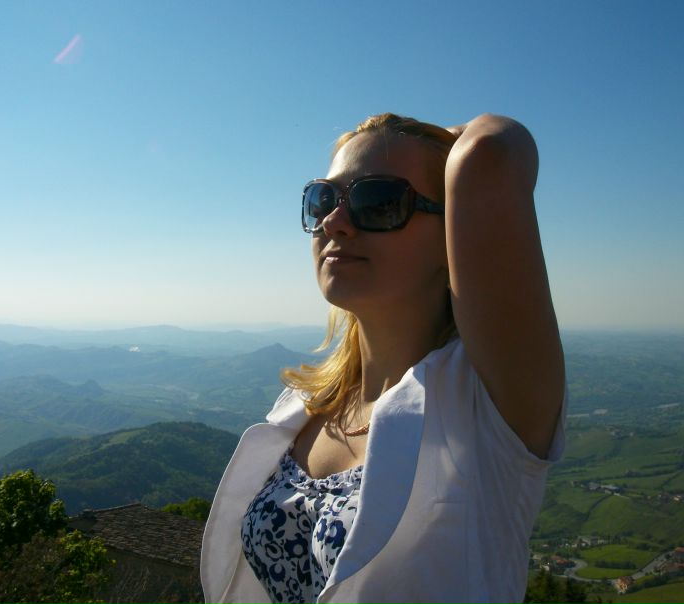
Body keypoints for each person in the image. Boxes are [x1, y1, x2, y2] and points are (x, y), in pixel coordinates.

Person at [199, 113, 566, 604]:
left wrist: (442, 140)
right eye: (323, 199)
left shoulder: (490, 409)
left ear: (453, 233)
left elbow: (491, 152)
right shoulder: (312, 405)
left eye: (378, 201)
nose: (333, 221)